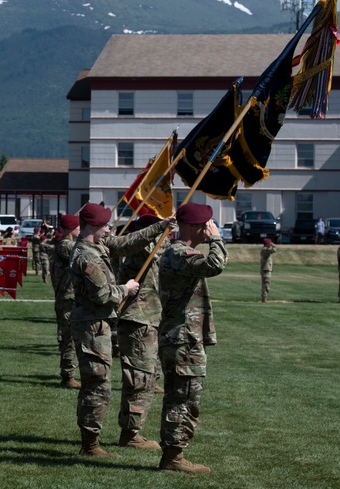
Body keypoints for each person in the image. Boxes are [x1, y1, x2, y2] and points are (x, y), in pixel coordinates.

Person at [69, 202, 165, 458]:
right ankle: (89, 445)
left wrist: (159, 227)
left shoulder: (98, 246)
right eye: (105, 225)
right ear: (92, 225)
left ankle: (92, 442)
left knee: (100, 383)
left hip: (98, 325)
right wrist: (126, 289)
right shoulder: (86, 256)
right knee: (96, 384)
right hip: (91, 326)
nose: (109, 229)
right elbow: (101, 294)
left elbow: (126, 243)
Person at [157, 202, 227, 473]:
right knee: (182, 398)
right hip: (181, 338)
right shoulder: (178, 253)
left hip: (185, 337)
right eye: (206, 224)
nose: (209, 228)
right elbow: (215, 264)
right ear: (194, 227)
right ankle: (173, 458)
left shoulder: (182, 253)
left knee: (185, 398)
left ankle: (174, 454)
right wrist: (217, 240)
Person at [114, 212, 176, 452]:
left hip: (147, 319)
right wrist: (162, 229)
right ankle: (130, 433)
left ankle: (132, 430)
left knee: (146, 378)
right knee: (139, 379)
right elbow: (156, 251)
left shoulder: (148, 248)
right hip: (138, 320)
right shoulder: (141, 248)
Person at [51, 214, 81, 389]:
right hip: (67, 299)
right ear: (70, 229)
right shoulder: (66, 246)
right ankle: (68, 375)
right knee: (69, 337)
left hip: (70, 298)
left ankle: (69, 372)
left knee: (71, 336)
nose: (80, 229)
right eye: (78, 227)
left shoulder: (67, 245)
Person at [260, 238, 276, 303]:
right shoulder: (265, 250)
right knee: (266, 284)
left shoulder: (265, 250)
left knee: (265, 284)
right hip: (266, 269)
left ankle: (264, 297)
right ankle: (264, 298)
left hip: (266, 269)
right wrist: (273, 245)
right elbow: (274, 250)